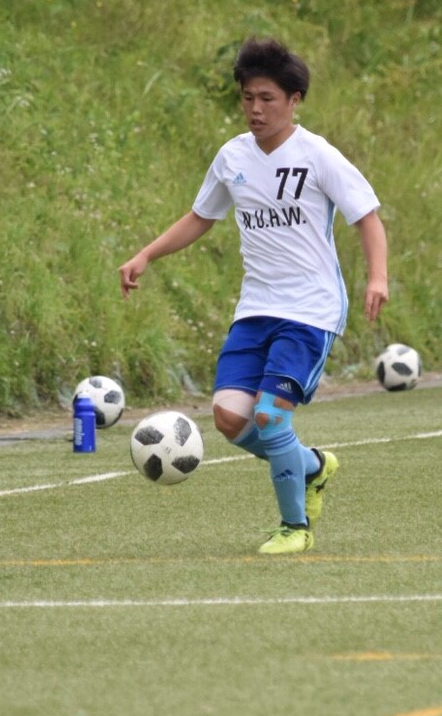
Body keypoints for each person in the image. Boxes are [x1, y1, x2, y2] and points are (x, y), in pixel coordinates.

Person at [119, 38, 389, 555]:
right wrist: (146, 255)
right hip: (256, 309)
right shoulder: (232, 156)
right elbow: (201, 216)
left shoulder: (317, 155)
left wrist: (377, 277)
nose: (255, 109)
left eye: (267, 98)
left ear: (294, 100)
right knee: (229, 418)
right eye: (248, 98)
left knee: (270, 417)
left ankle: (295, 527)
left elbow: (367, 217)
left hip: (310, 310)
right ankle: (312, 467)